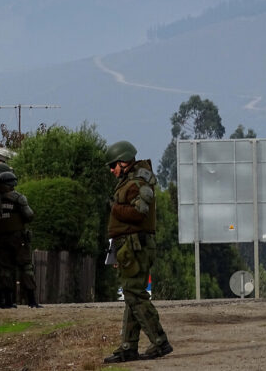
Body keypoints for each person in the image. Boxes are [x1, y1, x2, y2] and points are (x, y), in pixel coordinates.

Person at [103, 140, 171, 364]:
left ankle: (159, 340)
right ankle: (128, 347)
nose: (111, 170)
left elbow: (139, 212)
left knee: (135, 295)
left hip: (135, 247)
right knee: (132, 295)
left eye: (113, 165)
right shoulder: (130, 181)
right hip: (129, 246)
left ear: (124, 161)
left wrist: (114, 208)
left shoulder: (137, 183)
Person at [0, 170, 41, 308]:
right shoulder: (18, 198)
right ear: (12, 184)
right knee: (26, 267)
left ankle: (8, 301)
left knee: (4, 270)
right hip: (18, 239)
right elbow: (29, 216)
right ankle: (32, 300)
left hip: (0, 239)